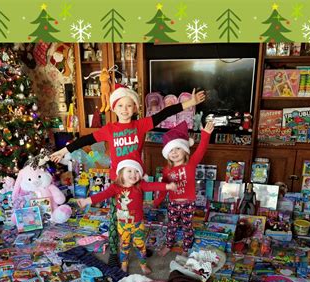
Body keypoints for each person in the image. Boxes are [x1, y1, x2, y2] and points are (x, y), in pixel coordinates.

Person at [51, 85, 206, 267]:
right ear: (113, 108)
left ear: (135, 108)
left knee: (137, 215)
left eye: (129, 105)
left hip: (136, 179)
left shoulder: (140, 125)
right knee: (116, 217)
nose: (124, 109)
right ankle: (114, 251)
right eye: (120, 105)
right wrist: (64, 150)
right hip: (118, 181)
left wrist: (189, 103)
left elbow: (164, 114)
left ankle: (139, 246)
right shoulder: (110, 129)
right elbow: (86, 139)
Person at [77, 159, 176, 275]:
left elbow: (153, 185)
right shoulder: (115, 187)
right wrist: (86, 201)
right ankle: (124, 264)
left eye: (137, 171)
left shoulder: (140, 185)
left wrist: (168, 186)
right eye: (129, 171)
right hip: (123, 225)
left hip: (138, 224)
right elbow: (101, 195)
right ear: (121, 173)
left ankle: (143, 265)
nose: (133, 174)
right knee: (124, 246)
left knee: (140, 245)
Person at [153, 120, 215, 256]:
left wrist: (205, 135)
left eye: (178, 148)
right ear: (167, 154)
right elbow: (164, 187)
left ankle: (186, 249)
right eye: (171, 150)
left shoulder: (191, 163)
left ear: (185, 150)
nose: (174, 152)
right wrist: (157, 201)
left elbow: (201, 150)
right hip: (173, 203)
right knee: (171, 226)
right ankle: (169, 245)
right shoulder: (166, 169)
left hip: (188, 203)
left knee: (187, 227)